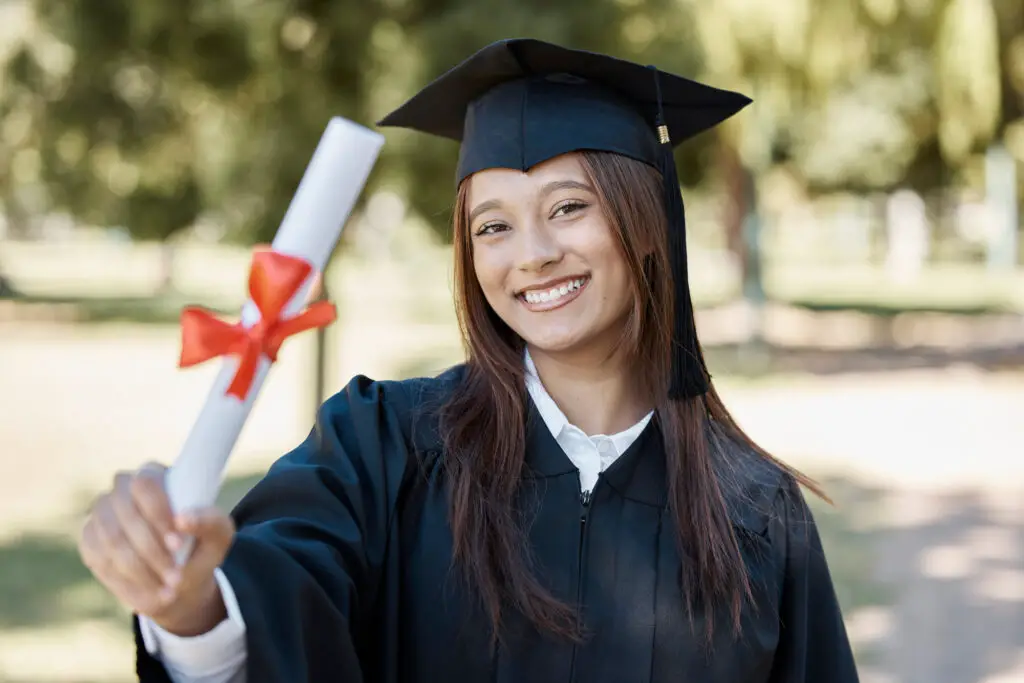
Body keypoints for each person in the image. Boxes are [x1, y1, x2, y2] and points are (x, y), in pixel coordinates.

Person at [77, 38, 860, 683]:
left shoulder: (754, 510)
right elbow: (270, 598)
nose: (535, 255)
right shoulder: (384, 448)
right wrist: (189, 607)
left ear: (647, 219)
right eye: (493, 227)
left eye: (569, 207)